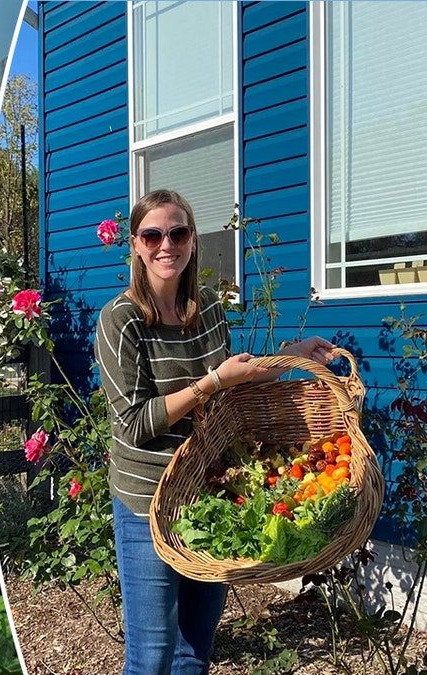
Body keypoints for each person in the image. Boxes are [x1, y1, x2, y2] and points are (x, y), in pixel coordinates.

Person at [93, 189, 334, 675]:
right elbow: (135, 424)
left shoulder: (206, 307)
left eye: (178, 232)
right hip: (147, 504)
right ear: (136, 245)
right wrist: (210, 383)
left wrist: (293, 355)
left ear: (192, 239)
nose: (167, 245)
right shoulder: (120, 321)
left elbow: (231, 383)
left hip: (205, 497)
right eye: (153, 234)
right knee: (152, 654)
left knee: (195, 650)